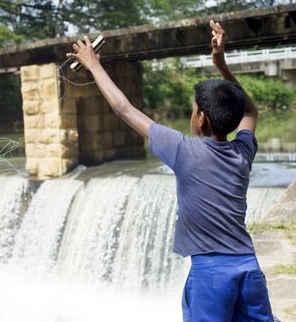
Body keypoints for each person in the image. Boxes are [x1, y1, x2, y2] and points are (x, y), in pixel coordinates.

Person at [67, 20, 275, 321]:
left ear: (201, 119)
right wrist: (222, 64)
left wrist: (95, 66)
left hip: (211, 275)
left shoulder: (183, 151)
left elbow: (124, 109)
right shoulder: (243, 152)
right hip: (248, 267)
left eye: (193, 109)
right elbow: (250, 111)